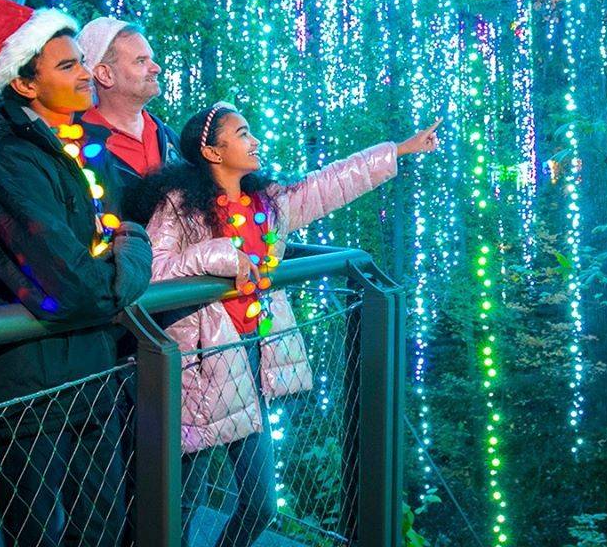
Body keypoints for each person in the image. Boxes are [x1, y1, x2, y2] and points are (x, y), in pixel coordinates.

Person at [123, 101, 441, 547]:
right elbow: (152, 271)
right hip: (193, 369)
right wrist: (219, 256)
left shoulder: (267, 203)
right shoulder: (177, 206)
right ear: (213, 152)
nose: (255, 141)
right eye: (243, 133)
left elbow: (330, 184)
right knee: (176, 507)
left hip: (249, 358)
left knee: (261, 506)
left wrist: (399, 150)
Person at [0, 0, 153, 547]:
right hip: (29, 386)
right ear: (25, 84)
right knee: (39, 532)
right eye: (68, 66)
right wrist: (134, 251)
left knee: (103, 527)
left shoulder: (81, 146)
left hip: (88, 370)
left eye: (81, 61)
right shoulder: (8, 157)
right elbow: (77, 285)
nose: (86, 75)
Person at [75, 17, 181, 215]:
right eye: (141, 61)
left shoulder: (169, 139)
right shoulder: (77, 145)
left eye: (151, 58)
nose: (156, 68)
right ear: (105, 74)